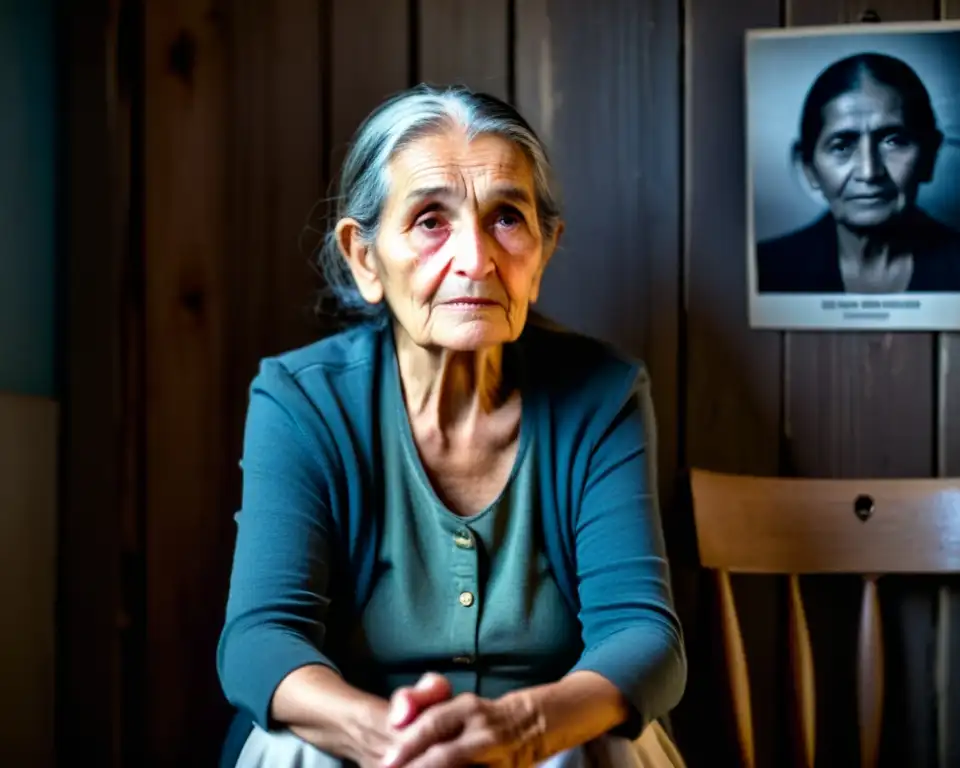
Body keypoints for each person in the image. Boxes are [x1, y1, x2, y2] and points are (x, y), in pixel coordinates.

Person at [216, 83, 687, 768]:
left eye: (506, 218)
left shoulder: (602, 393)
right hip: (365, 746)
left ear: (544, 250)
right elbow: (260, 638)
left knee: (614, 741)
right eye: (431, 220)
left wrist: (524, 727)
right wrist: (387, 737)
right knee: (295, 751)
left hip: (543, 744)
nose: (475, 258)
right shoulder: (302, 399)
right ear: (364, 257)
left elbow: (643, 634)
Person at [757, 52, 960, 294]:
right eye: (841, 146)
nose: (869, 172)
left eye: (894, 141)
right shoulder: (767, 271)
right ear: (807, 167)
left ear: (929, 157)